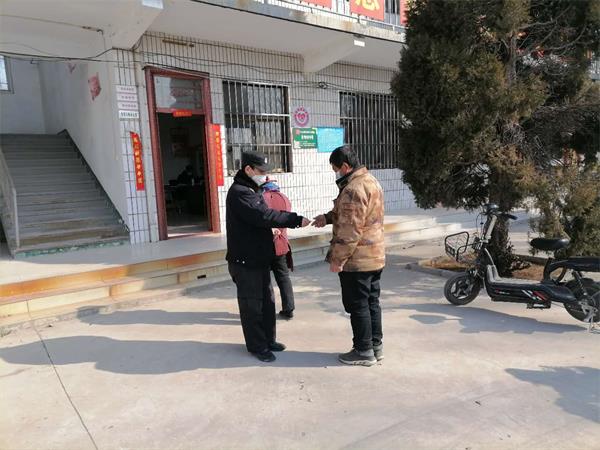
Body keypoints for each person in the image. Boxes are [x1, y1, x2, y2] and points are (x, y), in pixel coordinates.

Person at [226, 151, 310, 362]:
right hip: (245, 261)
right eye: (261, 171)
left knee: (267, 302)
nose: (265, 175)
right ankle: (257, 347)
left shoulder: (252, 189)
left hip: (259, 257)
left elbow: (260, 218)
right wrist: (294, 220)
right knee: (252, 306)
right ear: (248, 169)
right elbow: (264, 215)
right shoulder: (240, 192)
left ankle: (268, 340)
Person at [312, 146, 385, 367]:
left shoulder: (353, 189)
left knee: (358, 305)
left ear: (345, 166)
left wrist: (338, 259)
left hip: (358, 260)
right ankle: (375, 346)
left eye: (336, 169)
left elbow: (350, 230)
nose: (336, 173)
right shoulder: (371, 180)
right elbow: (355, 215)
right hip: (374, 256)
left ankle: (363, 351)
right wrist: (327, 217)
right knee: (371, 303)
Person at [261, 179, 295, 320]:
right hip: (282, 244)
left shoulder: (261, 199)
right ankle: (289, 308)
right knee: (283, 277)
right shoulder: (284, 198)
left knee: (264, 280)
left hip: (265, 245)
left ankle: (267, 310)